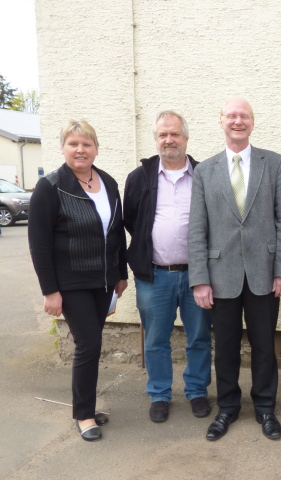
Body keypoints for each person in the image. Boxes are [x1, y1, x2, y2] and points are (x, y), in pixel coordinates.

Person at [189, 97, 281, 441]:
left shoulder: (275, 164)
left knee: (265, 345)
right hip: (221, 275)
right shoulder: (204, 171)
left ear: (252, 122)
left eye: (244, 116)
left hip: (265, 272)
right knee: (227, 346)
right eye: (231, 116)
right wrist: (200, 279)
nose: (238, 121)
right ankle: (228, 408)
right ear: (221, 121)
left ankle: (265, 408)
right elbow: (197, 228)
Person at [28, 119, 128, 441]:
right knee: (89, 344)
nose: (80, 150)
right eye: (73, 144)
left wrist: (120, 274)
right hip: (71, 282)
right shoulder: (51, 187)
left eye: (86, 144)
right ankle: (84, 414)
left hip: (103, 282)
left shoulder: (109, 183)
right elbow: (39, 243)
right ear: (63, 148)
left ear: (96, 148)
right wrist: (50, 291)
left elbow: (115, 233)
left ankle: (86, 405)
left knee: (92, 343)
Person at [123, 111, 212, 423]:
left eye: (174, 134)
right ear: (156, 139)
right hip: (154, 274)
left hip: (197, 275)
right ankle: (160, 394)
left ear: (186, 138)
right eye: (162, 135)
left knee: (199, 336)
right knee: (156, 339)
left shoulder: (204, 174)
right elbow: (133, 220)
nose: (168, 140)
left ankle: (197, 390)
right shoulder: (139, 178)